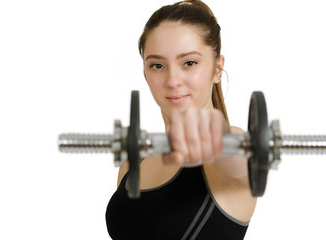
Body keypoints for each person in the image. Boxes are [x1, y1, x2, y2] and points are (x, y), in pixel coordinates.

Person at [106, 0, 256, 239]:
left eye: (189, 63)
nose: (173, 80)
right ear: (145, 72)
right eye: (157, 65)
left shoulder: (233, 149)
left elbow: (240, 157)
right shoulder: (133, 164)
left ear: (217, 69)